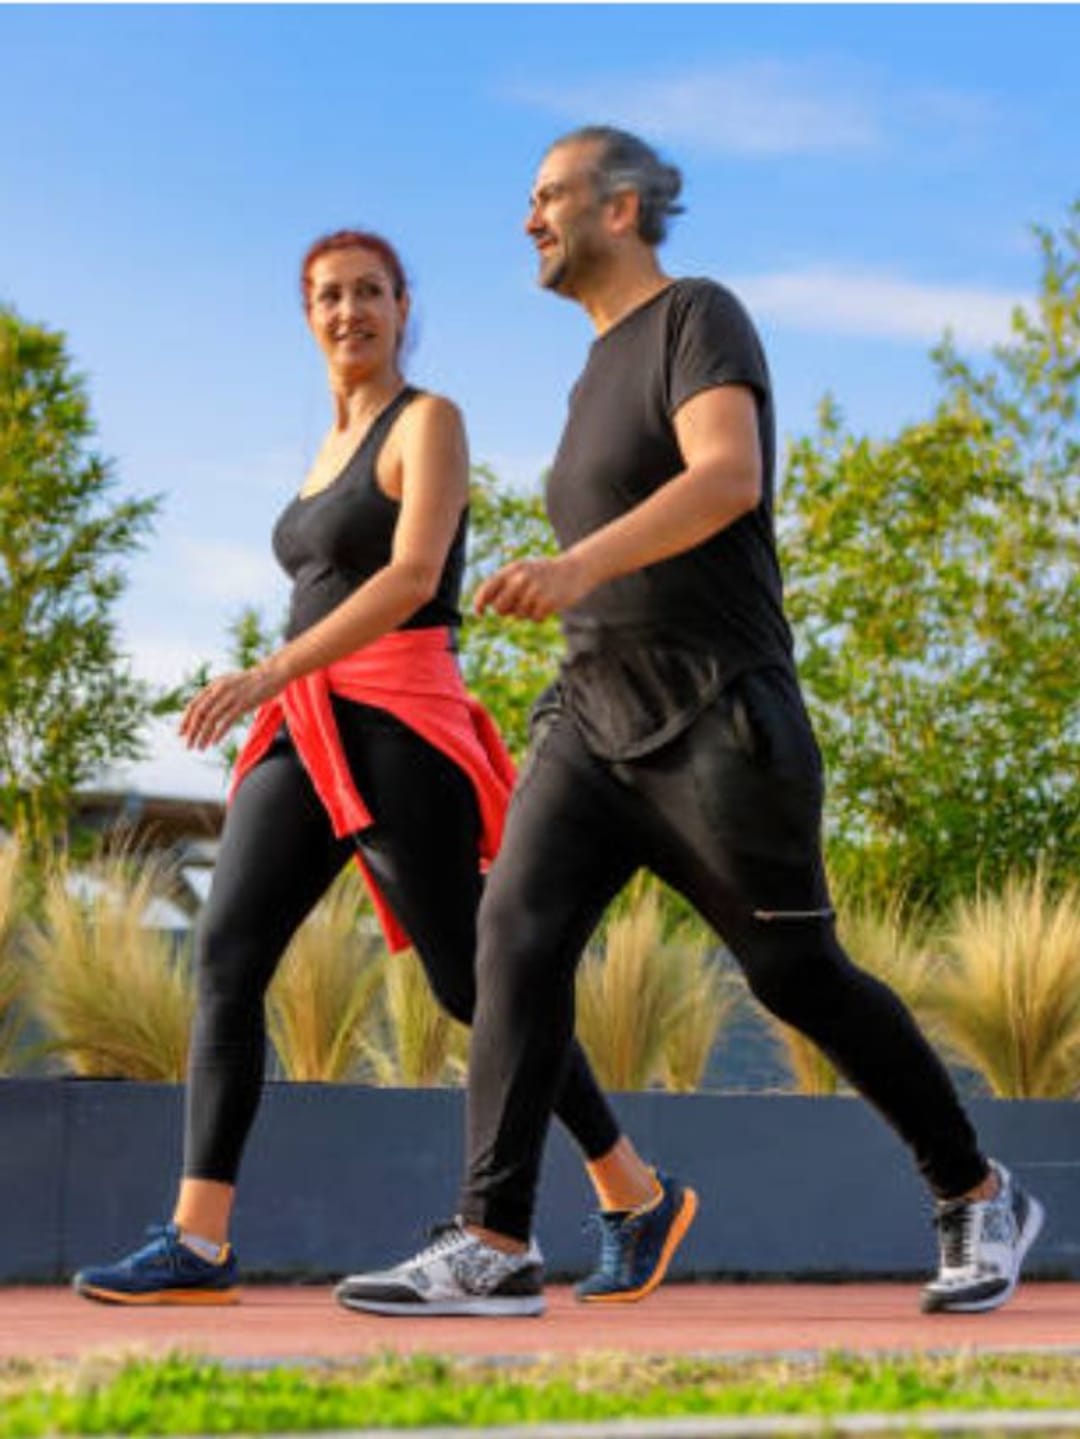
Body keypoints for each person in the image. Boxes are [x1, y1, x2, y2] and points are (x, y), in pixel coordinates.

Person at [335, 129, 1045, 1320]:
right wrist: (574, 600)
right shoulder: (591, 373)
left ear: (619, 206)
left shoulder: (696, 317)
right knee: (512, 933)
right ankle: (494, 1237)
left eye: (548, 196)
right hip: (590, 717)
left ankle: (976, 1189)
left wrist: (575, 566)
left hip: (717, 715)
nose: (528, 219)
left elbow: (727, 475)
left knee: (796, 974)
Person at [72, 227, 695, 1310]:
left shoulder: (428, 421)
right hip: (305, 727)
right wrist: (284, 686)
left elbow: (412, 575)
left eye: (370, 292)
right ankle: (199, 1239)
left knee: (471, 982)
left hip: (399, 720)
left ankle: (631, 1189)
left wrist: (269, 669)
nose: (349, 310)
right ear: (306, 314)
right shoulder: (326, 446)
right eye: (329, 295)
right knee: (226, 953)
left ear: (403, 307)